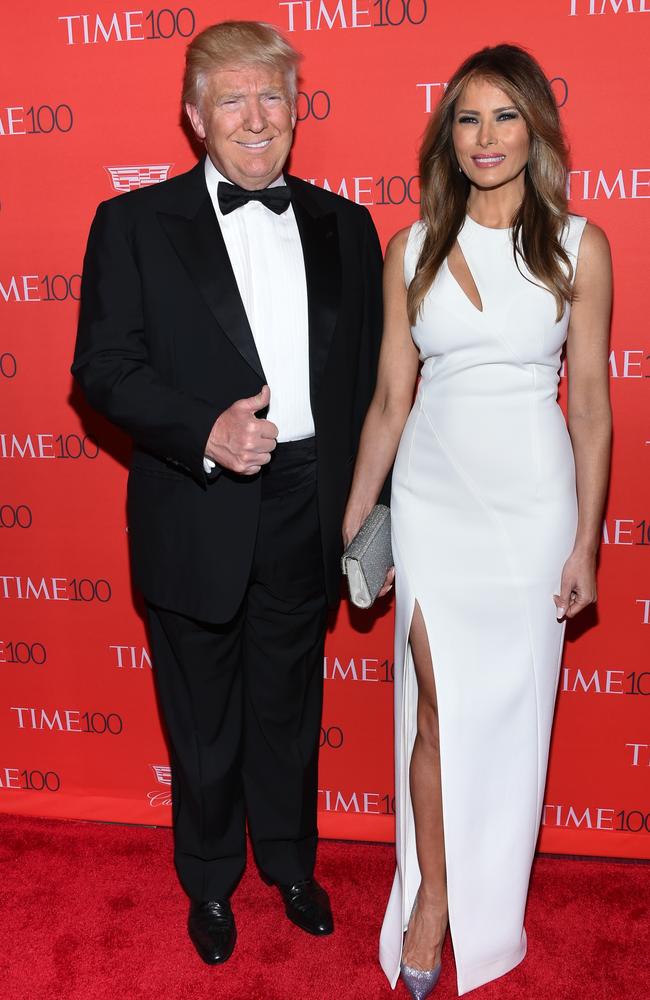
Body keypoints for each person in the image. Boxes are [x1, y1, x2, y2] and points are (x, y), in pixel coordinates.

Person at [72, 20, 383, 966]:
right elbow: (105, 370)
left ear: (297, 111)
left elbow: (377, 377)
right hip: (194, 498)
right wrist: (205, 429)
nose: (257, 118)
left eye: (273, 98)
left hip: (310, 502)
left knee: (289, 702)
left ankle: (290, 862)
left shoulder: (348, 225)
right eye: (234, 99)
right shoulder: (132, 223)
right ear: (195, 115)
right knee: (202, 716)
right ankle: (209, 883)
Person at [343, 43, 611, 998]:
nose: (487, 136)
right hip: (430, 500)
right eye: (468, 118)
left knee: (504, 718)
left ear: (534, 128)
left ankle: (478, 901)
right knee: (436, 704)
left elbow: (587, 402)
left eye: (505, 117)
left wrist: (584, 539)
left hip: (530, 506)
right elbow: (386, 400)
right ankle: (431, 905)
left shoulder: (580, 244)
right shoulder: (409, 249)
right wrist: (354, 521)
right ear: (446, 137)